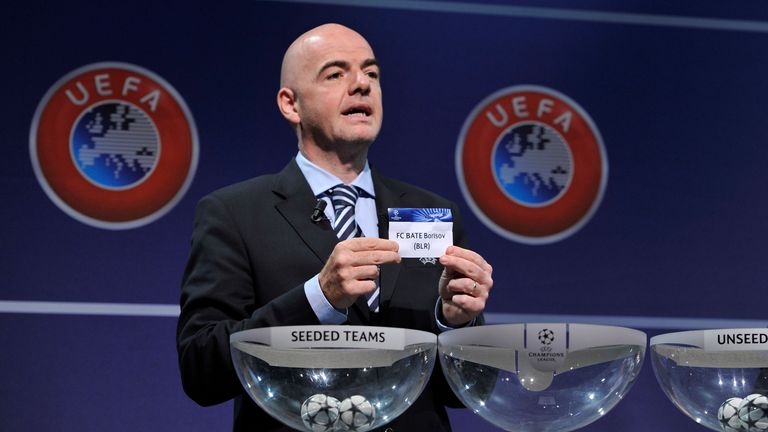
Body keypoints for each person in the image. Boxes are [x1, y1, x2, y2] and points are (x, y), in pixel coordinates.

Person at [176, 23, 494, 431]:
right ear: (291, 104)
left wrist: (456, 324)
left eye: (372, 74)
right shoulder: (234, 213)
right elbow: (201, 370)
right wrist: (318, 298)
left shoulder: (431, 212)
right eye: (336, 73)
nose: (361, 85)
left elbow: (469, 392)